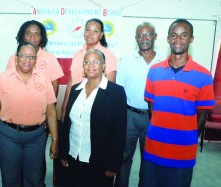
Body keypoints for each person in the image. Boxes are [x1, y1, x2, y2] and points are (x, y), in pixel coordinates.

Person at [141, 19, 215, 187]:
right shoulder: (154, 71)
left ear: (191, 39)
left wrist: (187, 139)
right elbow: (152, 109)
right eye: (173, 35)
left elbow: (202, 117)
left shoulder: (203, 76)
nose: (178, 40)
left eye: (183, 35)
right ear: (167, 39)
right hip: (154, 148)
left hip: (183, 152)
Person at [0, 41, 59, 187]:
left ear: (36, 61)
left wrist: (55, 140)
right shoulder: (1, 79)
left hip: (36, 138)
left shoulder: (44, 80)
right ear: (15, 58)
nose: (27, 60)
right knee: (11, 179)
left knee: (34, 179)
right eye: (23, 56)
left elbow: (51, 113)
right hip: (8, 137)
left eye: (32, 57)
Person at [59, 49, 127, 187]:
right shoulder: (75, 89)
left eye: (96, 62)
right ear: (83, 66)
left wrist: (113, 164)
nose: (91, 65)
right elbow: (68, 124)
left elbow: (119, 131)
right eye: (87, 62)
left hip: (100, 162)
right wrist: (64, 152)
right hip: (74, 157)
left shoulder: (116, 92)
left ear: (103, 66)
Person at [114, 22, 164, 187]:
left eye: (148, 34)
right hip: (129, 116)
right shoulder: (126, 62)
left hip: (153, 118)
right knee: (124, 157)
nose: (144, 38)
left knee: (149, 158)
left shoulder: (163, 63)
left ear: (155, 36)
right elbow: (119, 92)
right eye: (140, 35)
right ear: (136, 38)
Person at [61, 18, 117, 120]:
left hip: (97, 106)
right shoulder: (78, 54)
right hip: (75, 104)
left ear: (101, 35)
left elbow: (110, 87)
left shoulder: (107, 55)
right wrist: (65, 106)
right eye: (87, 30)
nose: (90, 34)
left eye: (95, 31)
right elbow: (71, 82)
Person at [6, 20, 64, 96]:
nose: (32, 37)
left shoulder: (50, 58)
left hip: (42, 104)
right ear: (23, 36)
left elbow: (55, 84)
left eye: (37, 34)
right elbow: (8, 82)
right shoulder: (14, 58)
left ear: (41, 37)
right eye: (28, 34)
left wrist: (50, 104)